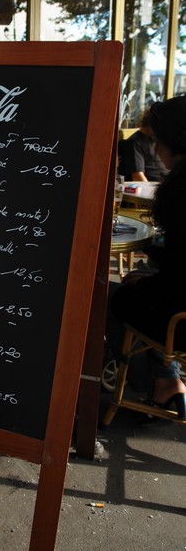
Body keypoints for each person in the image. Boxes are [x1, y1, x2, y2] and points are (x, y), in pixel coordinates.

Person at [107, 96, 186, 418]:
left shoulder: (180, 191)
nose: (154, 150)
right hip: (178, 303)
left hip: (179, 320)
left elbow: (179, 273)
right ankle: (167, 379)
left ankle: (157, 383)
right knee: (137, 284)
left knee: (109, 297)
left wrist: (148, 262)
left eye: (156, 141)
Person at [121, 108, 168, 182]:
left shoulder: (157, 140)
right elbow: (137, 177)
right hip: (152, 189)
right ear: (152, 124)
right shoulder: (135, 143)